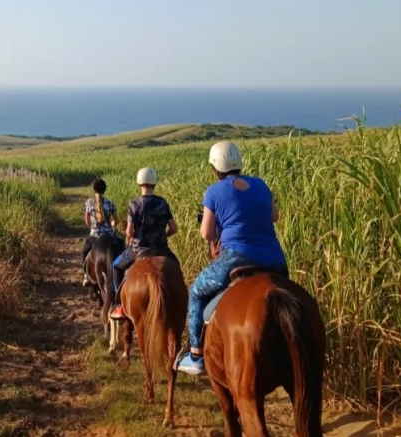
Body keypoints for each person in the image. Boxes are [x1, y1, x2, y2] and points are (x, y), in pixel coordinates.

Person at [175, 141, 289, 376]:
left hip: (236, 257)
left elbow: (206, 233)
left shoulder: (214, 191)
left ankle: (195, 354)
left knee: (196, 291)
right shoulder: (260, 184)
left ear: (215, 167)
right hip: (275, 259)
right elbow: (275, 216)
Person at [109, 167, 180, 320]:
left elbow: (129, 232)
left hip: (138, 250)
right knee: (177, 268)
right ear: (154, 184)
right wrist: (162, 235)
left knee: (115, 265)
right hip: (161, 249)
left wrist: (134, 236)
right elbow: (173, 228)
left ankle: (119, 304)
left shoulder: (135, 203)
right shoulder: (162, 202)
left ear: (139, 184)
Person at [82, 177, 120, 286]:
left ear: (94, 189)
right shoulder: (110, 203)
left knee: (84, 252)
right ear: (104, 190)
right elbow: (116, 221)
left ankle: (86, 275)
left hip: (94, 235)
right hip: (108, 235)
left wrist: (94, 226)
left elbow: (87, 222)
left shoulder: (88, 203)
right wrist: (111, 225)